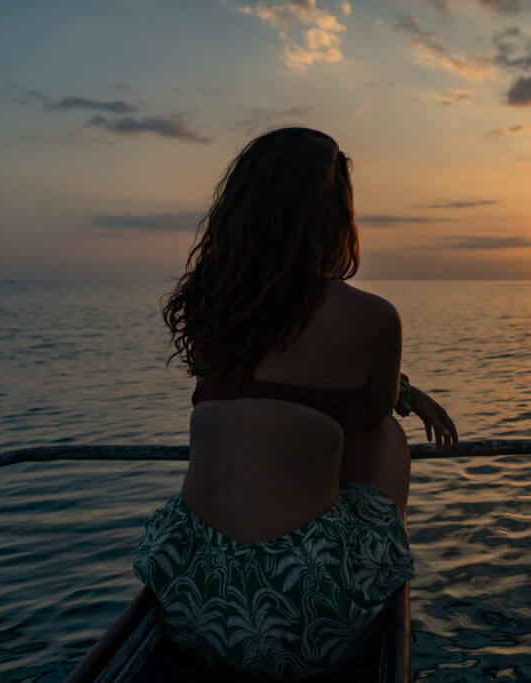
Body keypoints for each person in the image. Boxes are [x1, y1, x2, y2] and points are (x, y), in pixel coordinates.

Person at [133, 127, 458, 679]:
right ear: (334, 213)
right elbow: (372, 412)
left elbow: (280, 384)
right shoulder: (372, 316)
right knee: (381, 435)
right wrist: (404, 394)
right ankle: (370, 584)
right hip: (297, 622)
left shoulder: (211, 312)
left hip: (191, 599)